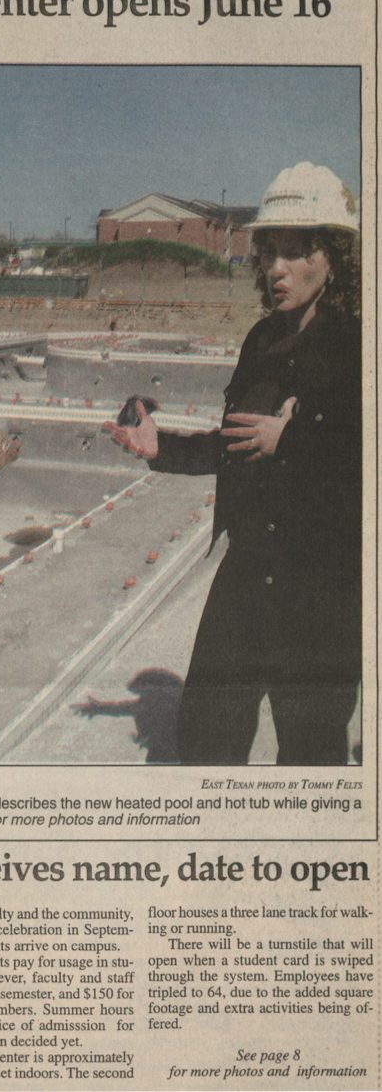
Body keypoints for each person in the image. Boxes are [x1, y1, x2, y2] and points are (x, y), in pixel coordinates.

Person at [105, 163, 361, 765]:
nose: (277, 270)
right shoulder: (260, 340)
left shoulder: (358, 344)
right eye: (269, 253)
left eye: (296, 254)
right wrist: (161, 447)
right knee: (207, 738)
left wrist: (293, 440)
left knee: (310, 751)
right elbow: (238, 443)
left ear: (332, 258)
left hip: (323, 586)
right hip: (247, 571)